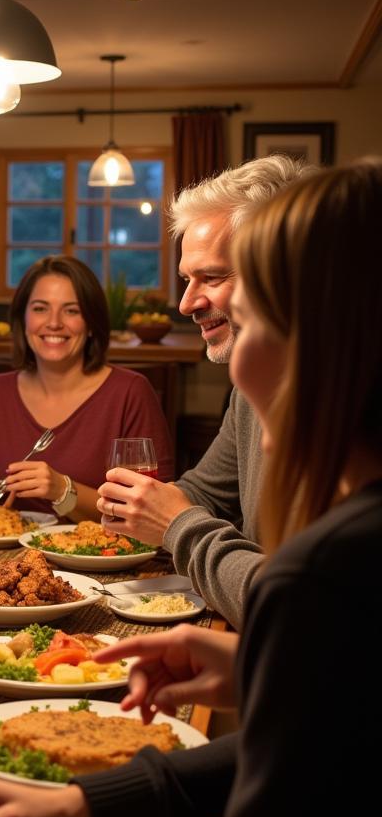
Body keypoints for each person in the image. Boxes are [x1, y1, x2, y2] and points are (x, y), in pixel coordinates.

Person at [0, 160, 382, 817]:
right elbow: (341, 741)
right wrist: (87, 805)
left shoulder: (329, 573)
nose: (213, 329)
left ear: (327, 328)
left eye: (249, 305)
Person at [97, 155, 309, 626]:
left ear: (283, 271)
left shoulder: (345, 404)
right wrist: (150, 507)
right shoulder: (254, 386)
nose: (186, 303)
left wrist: (177, 525)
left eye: (211, 277)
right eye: (186, 280)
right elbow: (204, 492)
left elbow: (296, 610)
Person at [0, 255, 172, 520]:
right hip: (13, 558)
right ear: (22, 319)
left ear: (92, 323)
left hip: (102, 557)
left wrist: (63, 490)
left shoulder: (130, 392)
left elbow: (153, 509)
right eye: (40, 308)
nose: (54, 322)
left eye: (72, 310)